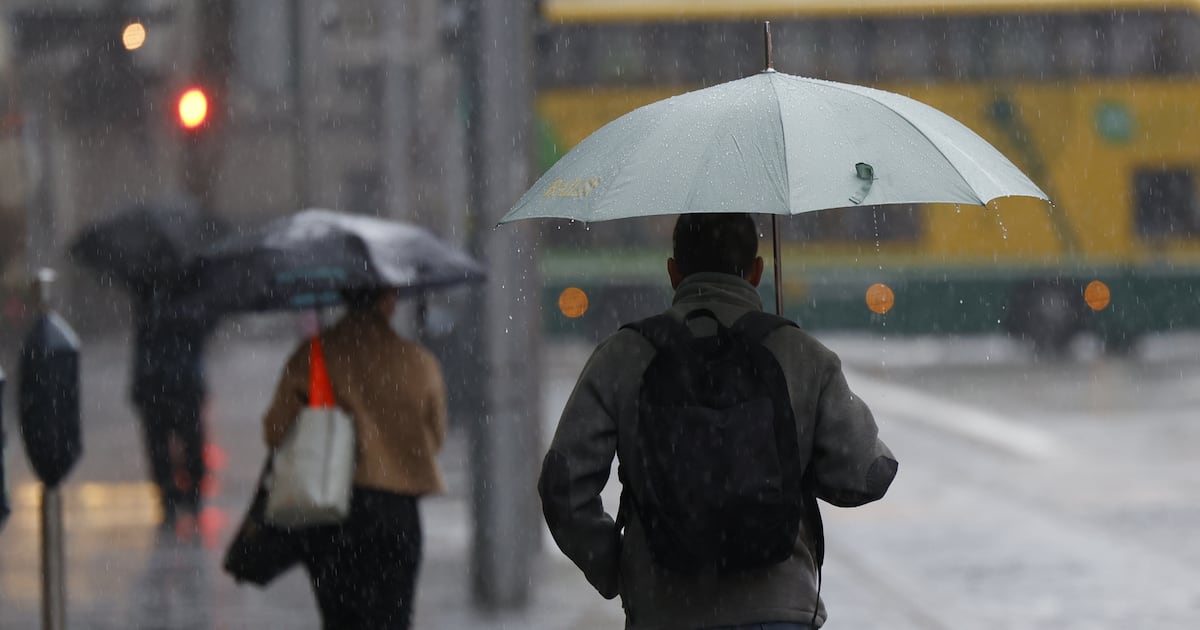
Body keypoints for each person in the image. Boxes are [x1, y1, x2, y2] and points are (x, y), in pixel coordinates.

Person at [538, 213, 899, 629]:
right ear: (757, 270)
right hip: (779, 612)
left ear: (674, 272)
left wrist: (615, 568)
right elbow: (866, 475)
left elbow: (562, 485)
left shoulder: (622, 356)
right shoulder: (800, 353)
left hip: (664, 613)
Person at [261, 288, 447, 630]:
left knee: (339, 619)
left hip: (330, 508)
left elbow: (275, 431)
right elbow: (434, 438)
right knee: (395, 617)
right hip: (397, 513)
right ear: (388, 302)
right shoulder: (418, 362)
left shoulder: (313, 356)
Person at [131, 291, 214, 532]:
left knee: (175, 444)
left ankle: (180, 497)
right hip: (170, 384)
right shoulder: (182, 296)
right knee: (177, 444)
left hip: (167, 384)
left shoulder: (152, 295)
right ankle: (179, 497)